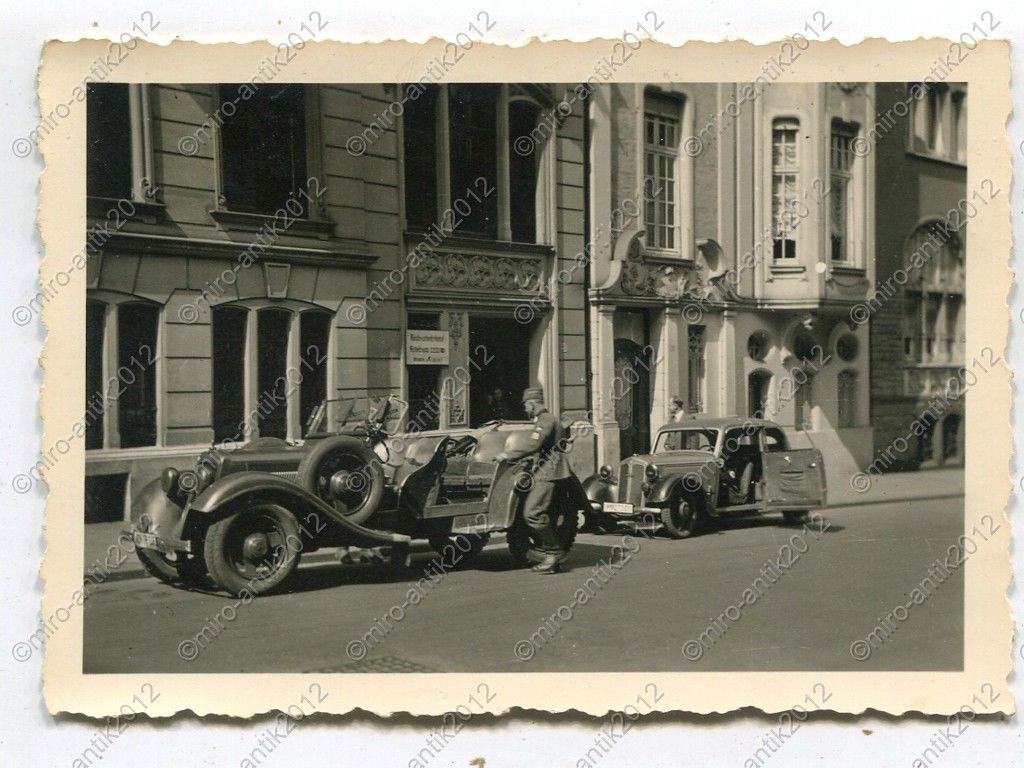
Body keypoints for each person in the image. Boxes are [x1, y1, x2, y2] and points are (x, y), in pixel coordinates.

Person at [494, 387, 572, 574]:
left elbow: (534, 444)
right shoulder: (545, 420)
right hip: (546, 469)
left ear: (532, 403)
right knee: (531, 512)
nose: (525, 410)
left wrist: (507, 454)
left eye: (526, 406)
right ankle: (550, 553)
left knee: (533, 513)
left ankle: (554, 552)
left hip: (549, 471)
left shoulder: (545, 420)